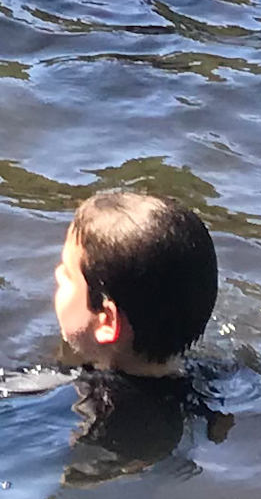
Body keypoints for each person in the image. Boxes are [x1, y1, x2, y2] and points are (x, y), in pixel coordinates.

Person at [54, 186, 219, 475]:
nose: (56, 274)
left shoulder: (106, 413)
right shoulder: (213, 376)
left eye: (67, 275)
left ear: (106, 321)